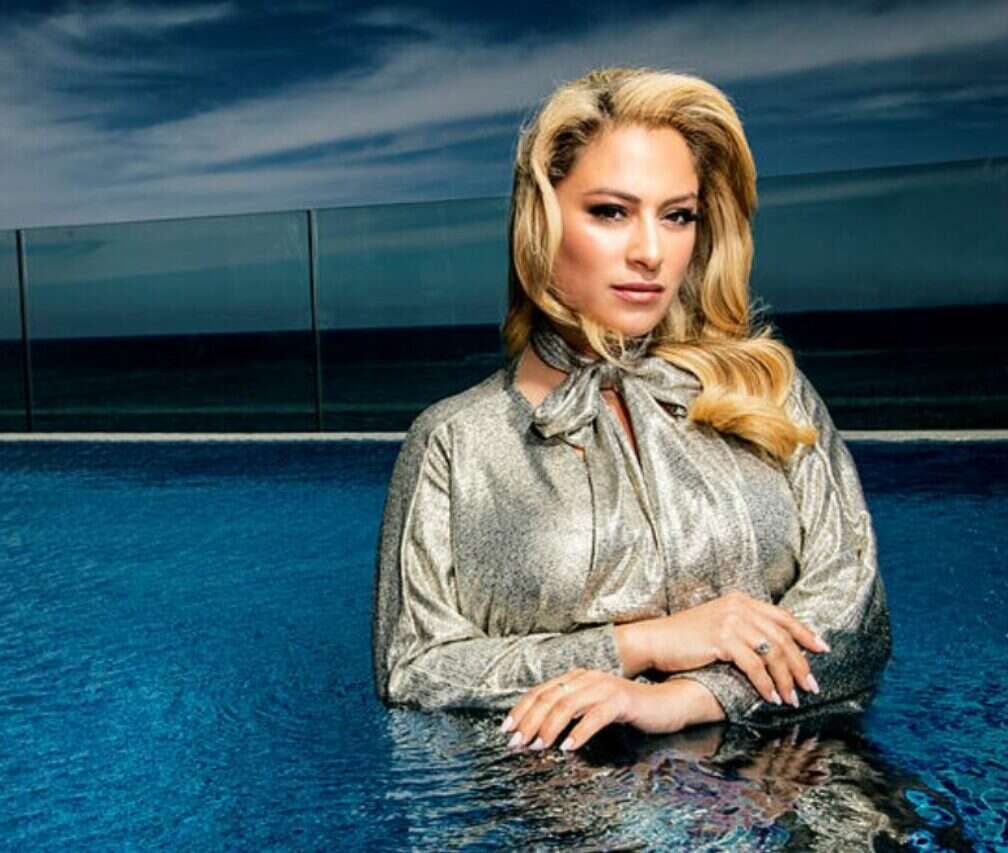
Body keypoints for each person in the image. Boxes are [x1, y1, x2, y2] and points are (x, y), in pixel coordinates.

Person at [370, 66, 892, 755]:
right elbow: (413, 669)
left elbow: (856, 613)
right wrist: (640, 643)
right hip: (570, 795)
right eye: (611, 212)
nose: (650, 252)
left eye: (678, 216)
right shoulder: (454, 442)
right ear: (541, 223)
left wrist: (683, 698)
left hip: (805, 781)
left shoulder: (768, 391)